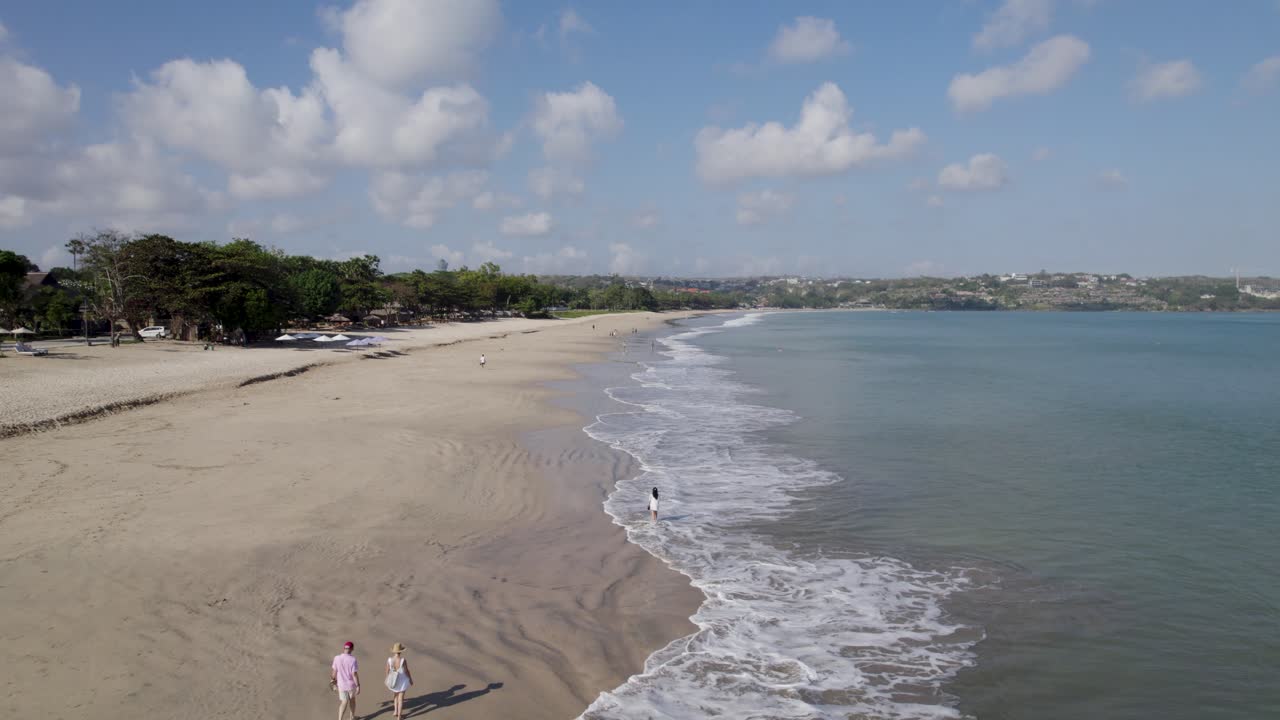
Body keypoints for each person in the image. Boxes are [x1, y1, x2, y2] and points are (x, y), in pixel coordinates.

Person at [331, 641, 360, 720]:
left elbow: (334, 672)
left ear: (344, 648)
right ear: (352, 649)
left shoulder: (337, 658)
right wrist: (358, 686)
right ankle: (352, 717)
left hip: (341, 685)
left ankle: (340, 719)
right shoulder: (353, 659)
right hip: (351, 685)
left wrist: (333, 682)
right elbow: (354, 674)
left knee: (344, 702)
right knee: (352, 701)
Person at [386, 643, 414, 719]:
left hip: (394, 681)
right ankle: (399, 716)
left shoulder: (389, 660)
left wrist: (388, 678)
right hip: (402, 681)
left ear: (394, 651)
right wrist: (410, 679)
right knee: (400, 699)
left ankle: (395, 711)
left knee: (395, 696)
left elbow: (387, 670)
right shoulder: (403, 660)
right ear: (400, 651)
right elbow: (406, 671)